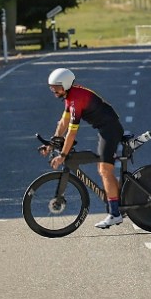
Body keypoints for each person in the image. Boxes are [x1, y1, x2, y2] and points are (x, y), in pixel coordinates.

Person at [41, 67, 126, 228]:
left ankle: (115, 214)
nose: (53, 90)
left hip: (110, 130)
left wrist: (63, 155)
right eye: (51, 87)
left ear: (65, 85)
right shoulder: (70, 96)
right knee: (104, 168)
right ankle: (118, 200)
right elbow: (63, 123)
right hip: (105, 128)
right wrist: (51, 144)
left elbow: (72, 133)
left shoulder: (76, 99)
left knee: (104, 170)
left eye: (55, 87)